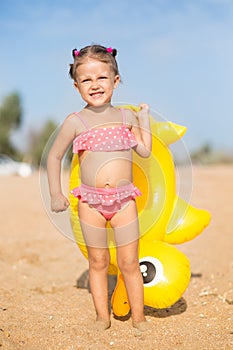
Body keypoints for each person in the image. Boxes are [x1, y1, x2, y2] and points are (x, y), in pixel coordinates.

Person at [47, 44, 152, 331]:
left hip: (124, 201)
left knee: (129, 261)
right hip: (90, 203)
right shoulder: (75, 122)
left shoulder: (126, 118)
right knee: (98, 261)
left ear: (115, 81)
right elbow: (54, 156)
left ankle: (139, 317)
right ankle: (101, 316)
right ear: (76, 85)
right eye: (87, 80)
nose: (95, 85)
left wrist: (143, 120)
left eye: (102, 78)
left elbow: (144, 152)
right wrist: (56, 193)